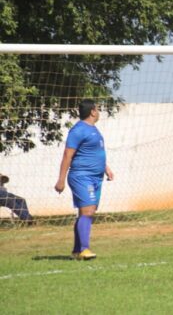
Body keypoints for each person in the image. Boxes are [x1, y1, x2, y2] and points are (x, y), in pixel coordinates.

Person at [54, 99, 114, 260]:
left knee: (86, 212)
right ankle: (84, 249)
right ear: (93, 111)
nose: (99, 112)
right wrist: (61, 179)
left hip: (96, 177)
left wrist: (106, 168)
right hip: (82, 176)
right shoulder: (78, 130)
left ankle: (76, 251)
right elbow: (68, 154)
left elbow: (93, 152)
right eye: (98, 109)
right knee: (88, 211)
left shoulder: (93, 130)